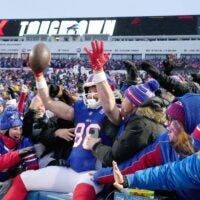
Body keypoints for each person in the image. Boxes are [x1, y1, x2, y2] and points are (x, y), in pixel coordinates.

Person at [3, 44, 116, 200]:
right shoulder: (80, 108)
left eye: (97, 89)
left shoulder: (114, 112)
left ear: (107, 89)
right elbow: (48, 103)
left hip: (92, 173)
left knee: (82, 194)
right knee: (23, 179)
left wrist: (98, 70)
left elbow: (109, 106)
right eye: (90, 89)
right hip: (71, 169)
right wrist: (39, 76)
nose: (92, 93)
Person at [84, 40, 166, 167]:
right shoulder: (137, 119)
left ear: (134, 104)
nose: (122, 100)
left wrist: (94, 145)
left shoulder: (140, 125)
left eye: (126, 98)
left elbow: (113, 158)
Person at [110, 93, 200, 200]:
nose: (167, 124)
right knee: (122, 196)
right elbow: (169, 175)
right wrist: (128, 180)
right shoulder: (167, 142)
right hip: (173, 193)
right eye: (167, 118)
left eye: (173, 120)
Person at [0, 105, 38, 196]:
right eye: (15, 129)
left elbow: (33, 167)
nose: (19, 132)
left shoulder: (25, 142)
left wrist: (20, 175)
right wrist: (18, 155)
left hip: (17, 185)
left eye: (20, 129)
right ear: (5, 130)